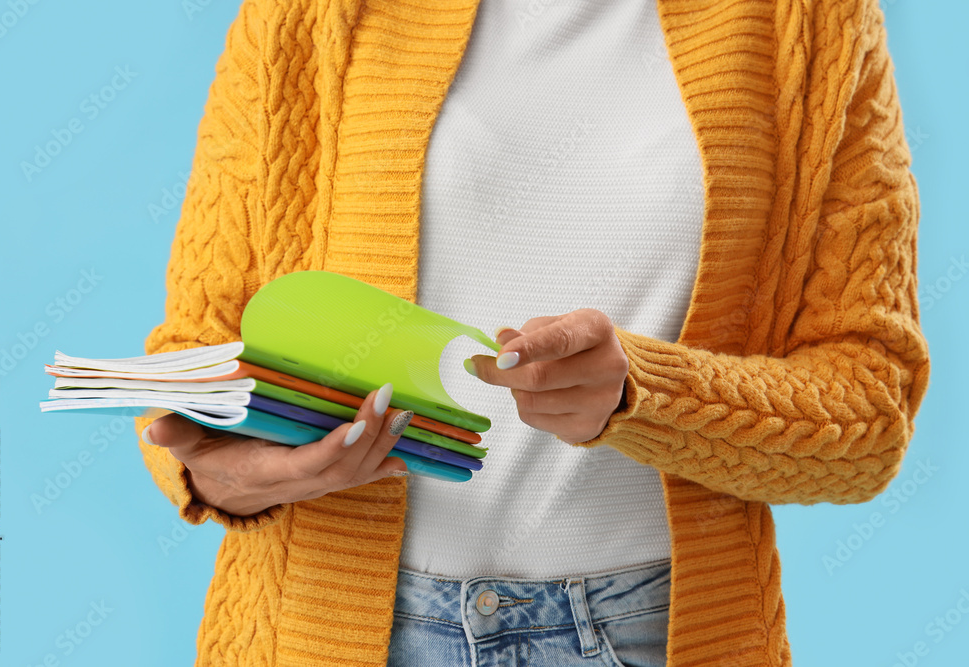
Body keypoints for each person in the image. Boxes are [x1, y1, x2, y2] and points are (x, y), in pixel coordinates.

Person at [134, 0, 930, 665]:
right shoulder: (309, 15)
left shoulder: (813, 22)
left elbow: (871, 405)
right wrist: (229, 477)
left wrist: (644, 395)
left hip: (655, 632)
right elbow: (191, 351)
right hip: (318, 626)